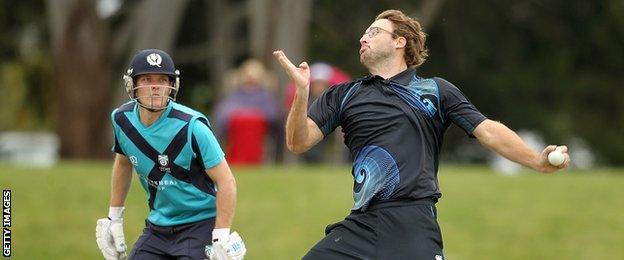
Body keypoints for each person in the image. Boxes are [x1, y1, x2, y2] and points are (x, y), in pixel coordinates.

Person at [273, 9, 570, 259]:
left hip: (412, 221)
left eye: (374, 32)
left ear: (400, 41)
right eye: (364, 33)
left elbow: (488, 131)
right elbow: (298, 143)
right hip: (361, 225)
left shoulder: (435, 91)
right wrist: (302, 93)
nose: (363, 37)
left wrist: (535, 160)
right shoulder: (344, 95)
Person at [95, 49, 246, 260]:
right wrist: (114, 217)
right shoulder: (122, 120)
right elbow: (123, 163)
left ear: (171, 85)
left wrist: (221, 235)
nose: (156, 87)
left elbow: (226, 180)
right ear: (133, 85)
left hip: (199, 225)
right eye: (147, 79)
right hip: (158, 227)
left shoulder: (193, 126)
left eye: (162, 80)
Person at [214, 59, 281, 165]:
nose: (251, 79)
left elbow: (273, 116)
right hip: (235, 139)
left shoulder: (267, 97)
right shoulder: (234, 96)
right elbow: (222, 116)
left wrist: (254, 119)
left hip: (259, 139)